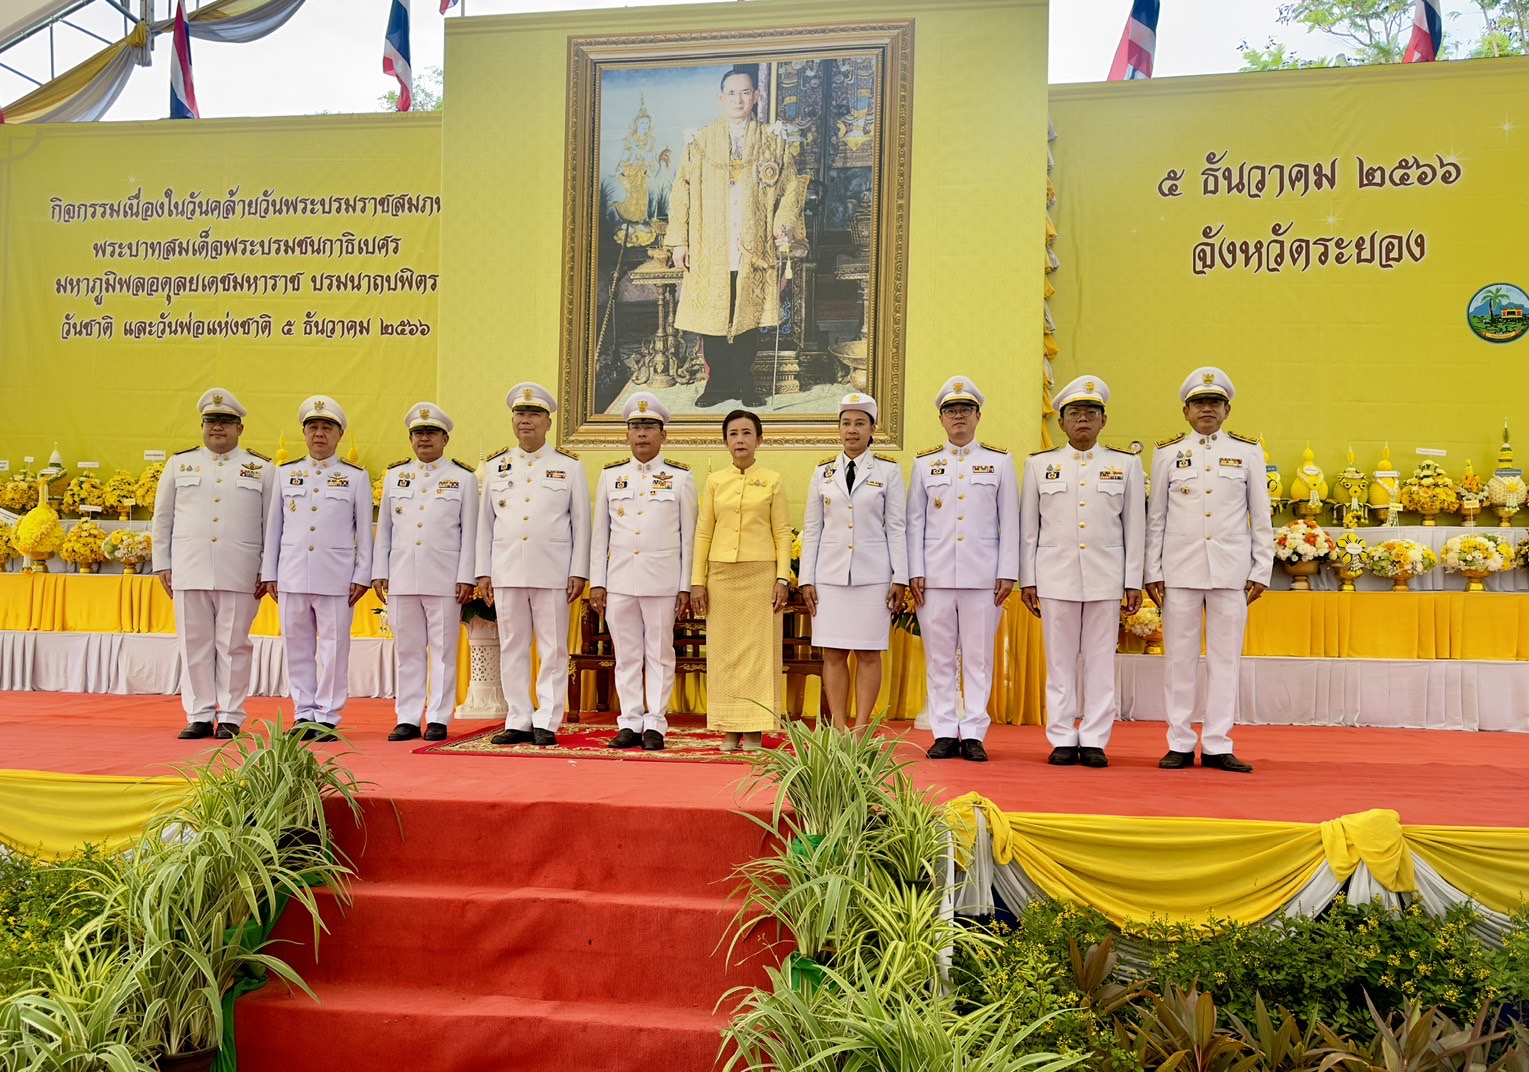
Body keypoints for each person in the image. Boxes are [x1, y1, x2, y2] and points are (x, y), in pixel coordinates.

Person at [1144, 367, 1273, 774]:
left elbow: (1261, 515)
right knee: (1178, 660)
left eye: (1214, 403)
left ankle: (1218, 742)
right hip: (1179, 571)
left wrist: (1261, 569)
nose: (1206, 409)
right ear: (1185, 411)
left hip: (1231, 572)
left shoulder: (1249, 452)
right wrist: (1153, 570)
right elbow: (1157, 519)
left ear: (1227, 409)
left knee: (1225, 661)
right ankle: (1180, 741)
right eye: (1199, 403)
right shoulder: (1167, 454)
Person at [1019, 376, 1145, 768]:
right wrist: (1029, 579)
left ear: (1104, 421)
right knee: (1058, 662)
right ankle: (1060, 735)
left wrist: (1132, 580)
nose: (1083, 420)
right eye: (1074, 413)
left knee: (1100, 661)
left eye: (1091, 413)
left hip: (1106, 577)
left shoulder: (1125, 464)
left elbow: (1135, 527)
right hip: (1055, 577)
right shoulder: (1041, 465)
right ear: (1062, 422)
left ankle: (1093, 738)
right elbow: (1029, 529)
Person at [666, 64, 808, 408]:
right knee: (714, 315)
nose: (739, 99)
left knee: (748, 314)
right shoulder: (698, 142)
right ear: (720, 98)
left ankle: (745, 381)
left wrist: (783, 225)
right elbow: (681, 193)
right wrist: (680, 242)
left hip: (753, 246)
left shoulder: (773, 142)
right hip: (709, 246)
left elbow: (790, 189)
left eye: (746, 92)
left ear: (756, 96)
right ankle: (717, 384)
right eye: (732, 93)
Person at [907, 377, 1019, 763]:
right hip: (934, 578)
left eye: (965, 410)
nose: (959, 416)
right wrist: (914, 572)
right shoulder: (924, 464)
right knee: (938, 658)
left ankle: (972, 731)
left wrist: (1007, 571)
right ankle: (942, 732)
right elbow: (914, 523)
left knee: (978, 658)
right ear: (941, 419)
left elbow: (1011, 522)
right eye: (951, 411)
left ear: (978, 416)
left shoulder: (999, 461)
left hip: (983, 577)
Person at [153, 388, 274, 740]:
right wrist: (163, 562)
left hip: (241, 570)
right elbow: (162, 520)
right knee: (194, 643)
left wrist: (267, 570)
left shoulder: (262, 469)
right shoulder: (180, 464)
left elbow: (271, 524)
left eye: (225, 422)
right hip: (189, 568)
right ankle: (200, 713)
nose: (217, 428)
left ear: (240, 428)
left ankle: (232, 714)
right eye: (210, 421)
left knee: (234, 644)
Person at [475, 382, 590, 748]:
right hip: (507, 569)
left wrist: (579, 570)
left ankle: (548, 719)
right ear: (513, 421)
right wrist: (483, 571)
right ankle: (518, 718)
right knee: (512, 644)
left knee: (553, 647)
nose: (526, 421)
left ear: (548, 422)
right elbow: (485, 524)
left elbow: (581, 524)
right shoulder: (496, 466)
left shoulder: (568, 466)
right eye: (520, 414)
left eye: (534, 415)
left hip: (553, 570)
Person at [589, 393, 697, 751]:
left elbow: (689, 538)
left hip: (662, 580)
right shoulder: (610, 476)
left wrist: (684, 586)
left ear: (663, 434)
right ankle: (630, 721)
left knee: (660, 653)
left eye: (649, 427)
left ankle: (656, 723)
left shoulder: (680, 478)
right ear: (627, 434)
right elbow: (599, 534)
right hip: (620, 580)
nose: (642, 434)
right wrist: (598, 582)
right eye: (635, 427)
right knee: (627, 655)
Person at [260, 395, 372, 742]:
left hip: (336, 576)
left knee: (334, 649)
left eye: (327, 427)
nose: (319, 434)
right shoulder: (285, 474)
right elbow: (273, 527)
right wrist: (270, 573)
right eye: (313, 427)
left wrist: (362, 573)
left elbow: (364, 530)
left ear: (339, 434)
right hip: (292, 573)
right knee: (297, 646)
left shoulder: (355, 477)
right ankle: (303, 711)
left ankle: (327, 714)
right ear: (304, 433)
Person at [798, 393, 907, 732]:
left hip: (872, 576)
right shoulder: (823, 471)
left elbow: (898, 527)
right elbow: (813, 528)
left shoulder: (888, 471)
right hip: (829, 577)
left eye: (860, 423)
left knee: (868, 654)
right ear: (839, 428)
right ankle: (839, 728)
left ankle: (860, 729)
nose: (852, 430)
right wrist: (806, 579)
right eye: (846, 423)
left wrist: (900, 577)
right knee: (833, 654)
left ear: (872, 429)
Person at [373, 403, 478, 744]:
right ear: (411, 439)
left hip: (445, 578)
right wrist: (380, 572)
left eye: (431, 433)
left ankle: (438, 717)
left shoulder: (462, 478)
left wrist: (467, 576)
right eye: (419, 434)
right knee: (408, 651)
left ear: (445, 438)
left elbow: (470, 532)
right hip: (402, 577)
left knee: (444, 651)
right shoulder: (395, 476)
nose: (425, 439)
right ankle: (406, 717)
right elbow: (385, 529)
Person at [691, 409, 792, 752]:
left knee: (759, 654)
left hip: (761, 575)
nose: (740, 440)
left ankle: (754, 730)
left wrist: (783, 578)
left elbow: (781, 532)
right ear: (725, 442)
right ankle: (728, 728)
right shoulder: (716, 481)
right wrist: (697, 581)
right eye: (733, 434)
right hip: (721, 575)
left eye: (747, 433)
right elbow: (703, 532)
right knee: (724, 654)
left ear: (759, 440)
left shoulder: (773, 480)